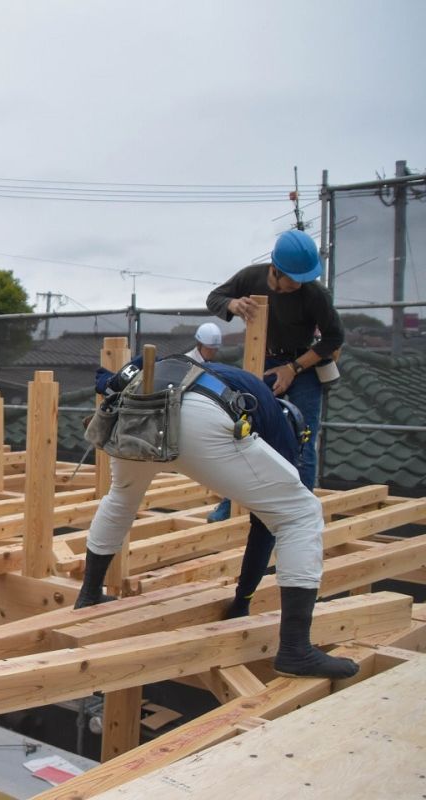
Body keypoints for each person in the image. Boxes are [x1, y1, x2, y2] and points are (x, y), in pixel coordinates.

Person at [76, 356, 358, 680]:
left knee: (121, 498)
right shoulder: (279, 426)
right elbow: (266, 524)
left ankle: (89, 596)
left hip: (136, 405)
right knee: (300, 513)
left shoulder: (237, 379)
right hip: (195, 412)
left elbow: (137, 369)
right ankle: (295, 649)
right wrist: (242, 601)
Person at [206, 229, 344, 489]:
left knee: (303, 437)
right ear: (275, 270)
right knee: (246, 431)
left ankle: (302, 509)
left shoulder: (315, 295)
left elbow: (334, 338)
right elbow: (214, 298)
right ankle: (233, 501)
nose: (299, 284)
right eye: (294, 278)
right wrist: (233, 305)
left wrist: (293, 368)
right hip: (264, 362)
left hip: (304, 365)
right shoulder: (250, 277)